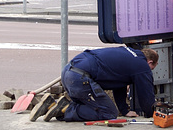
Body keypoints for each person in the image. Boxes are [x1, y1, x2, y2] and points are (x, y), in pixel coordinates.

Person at [30, 46, 159, 122]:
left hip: (68, 72)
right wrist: (152, 114)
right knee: (108, 113)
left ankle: (50, 106)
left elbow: (118, 84)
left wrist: (125, 110)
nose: (150, 70)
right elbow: (146, 93)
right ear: (150, 62)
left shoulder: (128, 53)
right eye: (153, 68)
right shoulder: (142, 66)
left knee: (92, 106)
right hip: (80, 78)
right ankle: (66, 109)